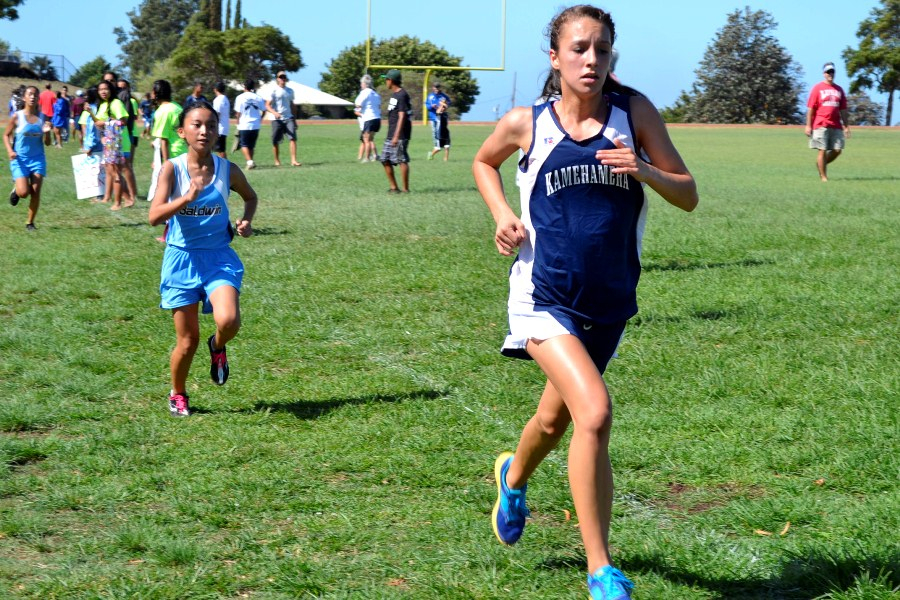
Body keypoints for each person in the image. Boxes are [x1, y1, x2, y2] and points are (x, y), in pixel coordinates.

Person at [472, 6, 698, 599]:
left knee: (555, 419)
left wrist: (644, 169)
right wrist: (501, 214)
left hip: (610, 300)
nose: (591, 60)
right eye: (578, 49)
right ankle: (601, 569)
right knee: (593, 412)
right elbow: (483, 161)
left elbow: (689, 194)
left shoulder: (635, 114)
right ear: (555, 57)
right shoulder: (529, 123)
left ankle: (512, 476)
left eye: (601, 49)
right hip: (541, 296)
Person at [148, 100, 258, 417]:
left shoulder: (228, 169)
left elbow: (250, 197)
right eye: (196, 125)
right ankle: (178, 393)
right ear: (182, 132)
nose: (204, 131)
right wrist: (187, 197)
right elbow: (154, 216)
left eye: (210, 125)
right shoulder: (172, 168)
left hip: (218, 257)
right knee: (187, 341)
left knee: (229, 321)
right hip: (181, 259)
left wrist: (246, 221)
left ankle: (219, 346)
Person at [4, 85, 46, 231]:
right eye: (30, 94)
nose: (33, 96)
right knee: (23, 193)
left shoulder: (42, 118)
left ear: (38, 98)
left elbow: (46, 143)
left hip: (37, 159)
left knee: (35, 191)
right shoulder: (17, 116)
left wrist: (47, 132)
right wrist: (10, 150)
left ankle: (30, 223)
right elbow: (5, 135)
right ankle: (16, 190)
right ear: (24, 97)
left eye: (35, 94)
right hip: (20, 160)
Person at [805, 62, 850, 182]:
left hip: (836, 125)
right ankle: (824, 177)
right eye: (828, 72)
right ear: (824, 73)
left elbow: (843, 110)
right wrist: (808, 125)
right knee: (822, 150)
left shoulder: (839, 89)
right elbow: (811, 109)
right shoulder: (817, 88)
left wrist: (846, 127)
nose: (830, 74)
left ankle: (821, 165)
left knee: (837, 150)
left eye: (832, 72)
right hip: (820, 124)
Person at [147, 79, 187, 204]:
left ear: (156, 92)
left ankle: (167, 213)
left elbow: (163, 139)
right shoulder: (177, 107)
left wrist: (165, 162)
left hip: (172, 152)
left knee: (166, 185)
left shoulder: (162, 111)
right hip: (183, 149)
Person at [381, 69, 412, 193]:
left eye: (386, 79)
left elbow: (402, 116)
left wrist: (396, 136)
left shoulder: (402, 95)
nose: (385, 81)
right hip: (391, 132)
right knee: (385, 159)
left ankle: (405, 189)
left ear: (391, 80)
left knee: (401, 159)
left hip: (399, 134)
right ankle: (394, 188)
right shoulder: (394, 95)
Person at [265, 71, 301, 167]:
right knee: (275, 140)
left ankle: (293, 160)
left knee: (292, 138)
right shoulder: (273, 91)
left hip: (288, 117)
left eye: (284, 77)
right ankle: (277, 160)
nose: (282, 78)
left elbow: (292, 105)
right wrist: (274, 113)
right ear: (277, 79)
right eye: (281, 77)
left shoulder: (290, 91)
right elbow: (267, 105)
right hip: (276, 119)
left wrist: (294, 119)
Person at [234, 78, 264, 170]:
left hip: (244, 124)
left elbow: (238, 112)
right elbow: (264, 110)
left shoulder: (240, 97)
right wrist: (260, 118)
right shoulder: (258, 97)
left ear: (244, 86)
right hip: (255, 124)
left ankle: (249, 161)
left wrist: (237, 120)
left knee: (244, 144)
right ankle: (251, 161)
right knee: (251, 145)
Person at [354, 74, 381, 162]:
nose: (361, 85)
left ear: (365, 84)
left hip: (369, 118)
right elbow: (378, 105)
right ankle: (375, 156)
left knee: (366, 140)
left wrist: (358, 110)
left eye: (361, 83)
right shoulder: (375, 94)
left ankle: (366, 158)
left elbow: (357, 103)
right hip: (377, 118)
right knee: (371, 139)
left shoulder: (365, 92)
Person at [426, 82, 451, 161]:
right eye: (435, 88)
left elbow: (448, 102)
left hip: (442, 121)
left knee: (447, 143)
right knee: (436, 134)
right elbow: (427, 105)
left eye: (438, 88)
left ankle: (445, 159)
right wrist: (432, 106)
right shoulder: (430, 96)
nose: (436, 89)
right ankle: (435, 147)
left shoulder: (444, 96)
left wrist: (444, 105)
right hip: (434, 117)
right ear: (433, 88)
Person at [212, 81, 231, 159]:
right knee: (220, 149)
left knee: (220, 150)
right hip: (225, 126)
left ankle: (225, 165)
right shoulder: (225, 99)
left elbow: (217, 113)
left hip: (219, 127)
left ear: (215, 89)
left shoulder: (218, 99)